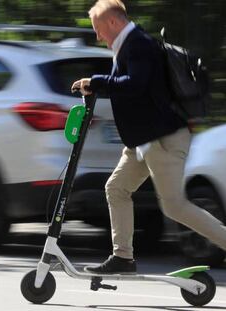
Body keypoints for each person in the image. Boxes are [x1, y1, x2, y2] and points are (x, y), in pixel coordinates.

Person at [71, 0, 226, 274]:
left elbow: (135, 85)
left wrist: (95, 82)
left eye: (98, 29)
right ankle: (123, 257)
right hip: (145, 140)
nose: (97, 36)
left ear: (113, 23)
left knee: (174, 206)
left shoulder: (139, 44)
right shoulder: (130, 45)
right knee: (116, 189)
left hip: (163, 140)